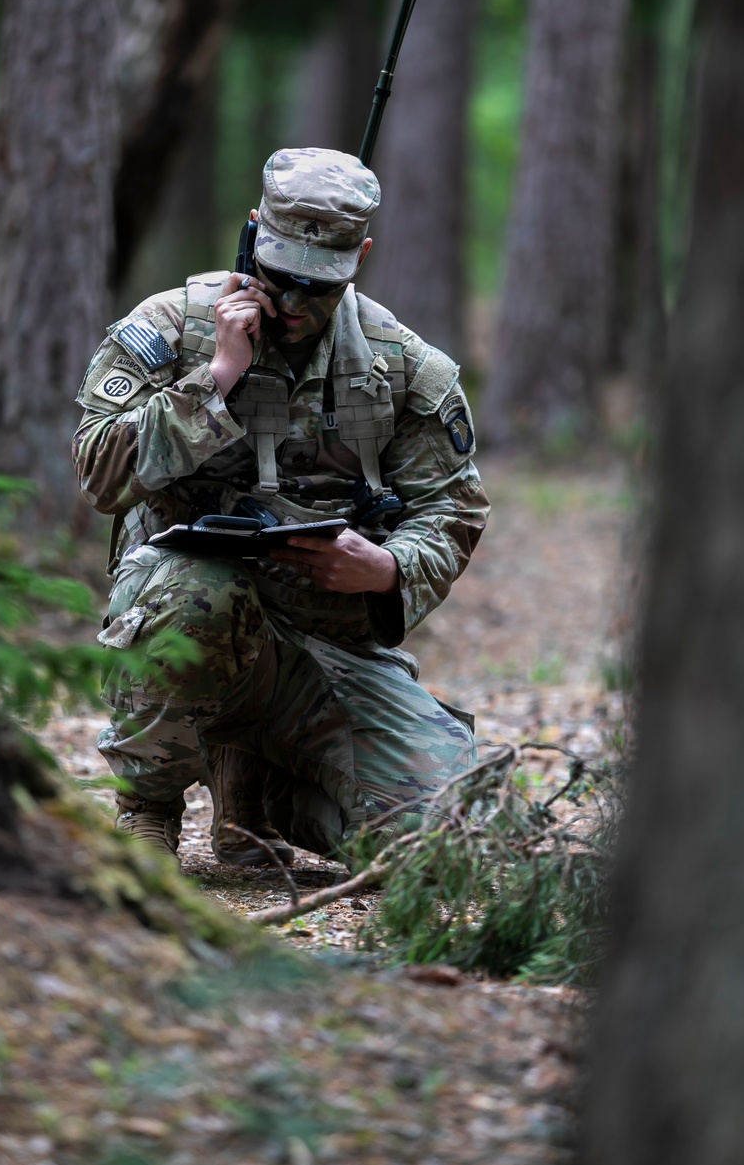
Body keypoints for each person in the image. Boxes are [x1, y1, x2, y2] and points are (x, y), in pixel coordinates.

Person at [73, 147, 490, 865]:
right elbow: (102, 476)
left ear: (359, 256)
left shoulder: (402, 366)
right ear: (252, 232)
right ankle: (149, 807)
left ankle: (258, 793)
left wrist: (389, 568)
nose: (292, 306)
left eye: (318, 287)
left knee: (445, 837)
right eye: (279, 278)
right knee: (196, 595)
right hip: (192, 620)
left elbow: (451, 507)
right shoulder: (171, 329)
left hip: (326, 652)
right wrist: (217, 378)